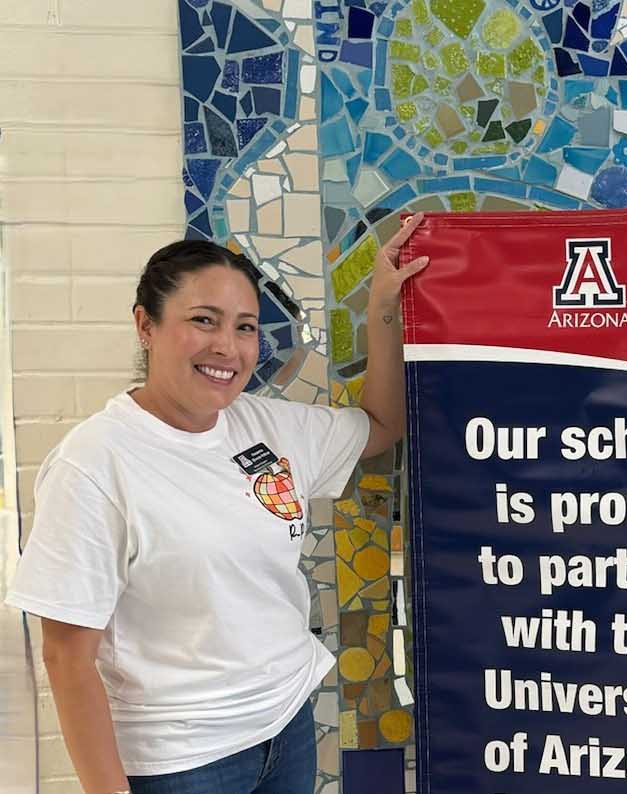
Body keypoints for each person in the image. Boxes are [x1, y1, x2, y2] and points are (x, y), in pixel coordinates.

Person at [4, 214, 430, 794]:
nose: (227, 347)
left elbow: (381, 425)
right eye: (203, 321)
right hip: (182, 761)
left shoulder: (266, 426)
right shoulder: (95, 463)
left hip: (287, 727)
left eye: (246, 327)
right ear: (145, 325)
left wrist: (384, 306)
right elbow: (65, 656)